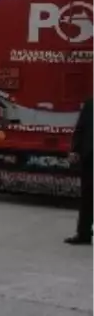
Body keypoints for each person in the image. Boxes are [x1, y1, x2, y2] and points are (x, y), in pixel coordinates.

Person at [65, 95, 94, 246]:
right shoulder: (89, 105)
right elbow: (80, 128)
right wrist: (75, 150)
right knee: (87, 197)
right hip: (90, 158)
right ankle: (84, 234)